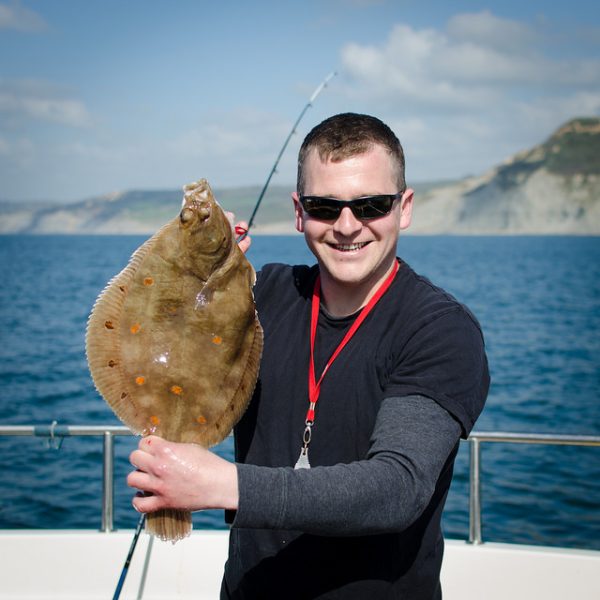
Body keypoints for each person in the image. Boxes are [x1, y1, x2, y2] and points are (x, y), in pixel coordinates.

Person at [127, 113, 490, 599]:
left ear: (404, 208)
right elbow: (159, 326)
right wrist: (199, 266)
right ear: (299, 212)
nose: (346, 226)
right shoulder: (261, 295)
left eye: (371, 206)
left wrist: (225, 485)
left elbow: (397, 486)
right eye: (324, 206)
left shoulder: (439, 329)